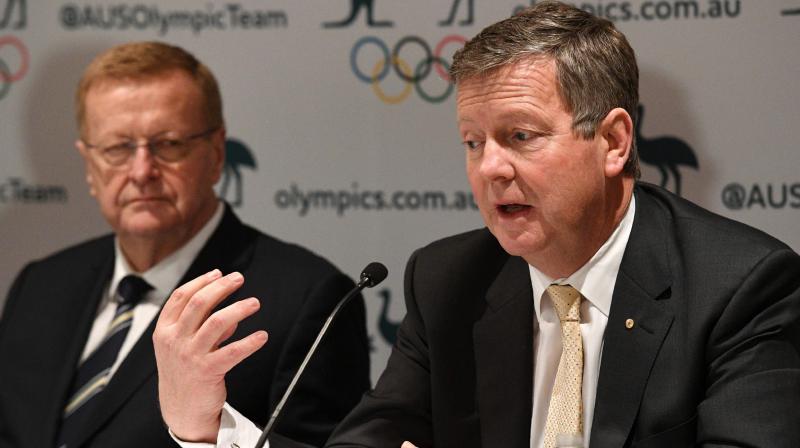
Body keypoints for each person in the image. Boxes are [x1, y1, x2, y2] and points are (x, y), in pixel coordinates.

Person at [155, 2, 800, 447]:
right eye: (472, 142)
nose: (490, 168)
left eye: (519, 136)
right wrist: (207, 429)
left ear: (612, 141)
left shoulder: (740, 287)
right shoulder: (450, 280)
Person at [0, 42, 370, 448]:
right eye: (118, 148)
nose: (142, 171)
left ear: (216, 154)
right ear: (89, 165)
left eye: (169, 144)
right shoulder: (40, 286)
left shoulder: (306, 301)